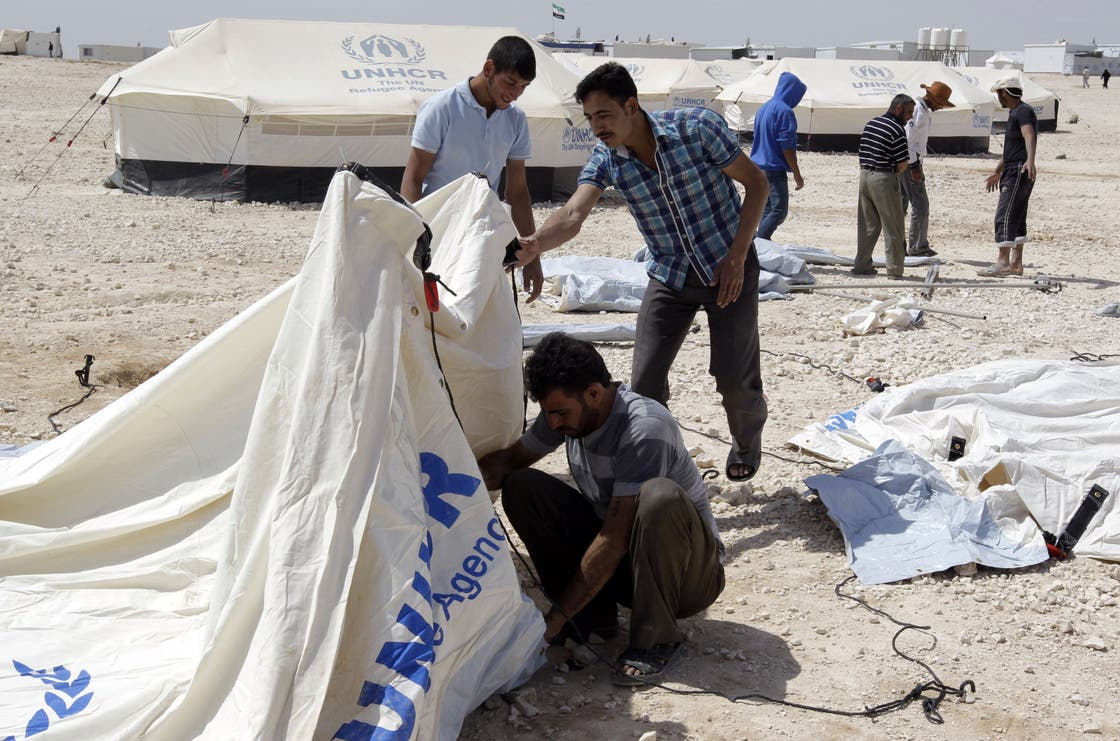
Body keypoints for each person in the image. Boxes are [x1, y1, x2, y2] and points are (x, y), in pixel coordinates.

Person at [514, 62, 769, 482]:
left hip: (730, 270)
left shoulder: (697, 129)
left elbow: (757, 185)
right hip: (670, 276)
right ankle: (661, 460)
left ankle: (745, 441)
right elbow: (575, 212)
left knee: (734, 380)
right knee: (644, 383)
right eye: (590, 118)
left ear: (631, 106)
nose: (597, 127)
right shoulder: (607, 159)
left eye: (604, 115)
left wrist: (738, 256)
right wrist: (535, 244)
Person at [477, 332, 724, 685]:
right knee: (522, 486)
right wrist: (456, 477)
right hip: (629, 565)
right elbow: (510, 462)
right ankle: (592, 617)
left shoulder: (644, 428)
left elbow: (615, 535)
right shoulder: (565, 414)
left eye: (561, 413)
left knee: (657, 498)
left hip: (688, 577)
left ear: (594, 393)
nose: (556, 423)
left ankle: (657, 638)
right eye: (550, 414)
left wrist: (552, 621)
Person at [401, 35, 543, 300]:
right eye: (510, 82)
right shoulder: (441, 108)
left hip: (485, 234)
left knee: (484, 316)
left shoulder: (516, 120)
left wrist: (534, 257)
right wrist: (417, 239)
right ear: (489, 69)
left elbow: (518, 190)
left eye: (523, 87)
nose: (515, 94)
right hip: (438, 231)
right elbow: (413, 177)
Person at [979, 78, 1037, 277]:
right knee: (1017, 216)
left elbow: (1029, 135)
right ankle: (1016, 264)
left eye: (998, 94)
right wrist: (997, 170)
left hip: (1018, 170)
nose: (998, 98)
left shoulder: (1022, 111)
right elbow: (1011, 149)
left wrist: (1030, 160)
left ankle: (1003, 262)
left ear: (1004, 93)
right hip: (1013, 167)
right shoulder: (1017, 112)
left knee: (1004, 216)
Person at [853, 94, 915, 277]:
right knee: (893, 226)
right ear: (898, 109)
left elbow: (861, 152)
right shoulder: (897, 129)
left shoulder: (872, 123)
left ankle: (862, 265)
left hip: (865, 176)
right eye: (909, 112)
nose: (910, 116)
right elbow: (902, 163)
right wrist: (891, 178)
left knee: (867, 226)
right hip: (883, 178)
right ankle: (894, 270)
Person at [749, 71, 806, 241]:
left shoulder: (764, 107)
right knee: (779, 210)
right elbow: (786, 146)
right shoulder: (785, 111)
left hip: (757, 165)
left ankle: (761, 244)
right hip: (773, 167)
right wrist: (797, 174)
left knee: (766, 208)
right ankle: (758, 244)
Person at [901, 81, 954, 258]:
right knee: (921, 205)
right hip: (910, 163)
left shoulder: (921, 110)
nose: (940, 108)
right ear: (933, 99)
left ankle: (898, 245)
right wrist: (915, 166)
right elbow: (908, 139)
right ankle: (917, 246)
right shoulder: (918, 110)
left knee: (901, 205)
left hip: (907, 162)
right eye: (940, 103)